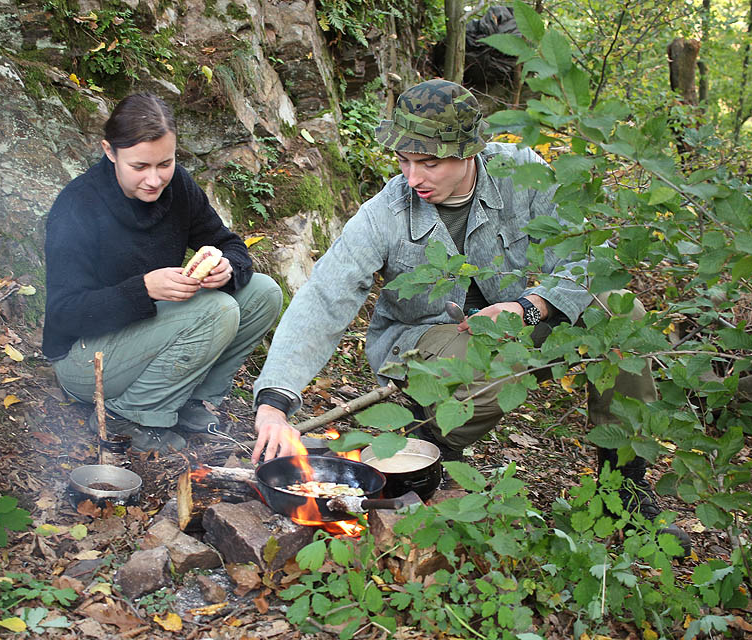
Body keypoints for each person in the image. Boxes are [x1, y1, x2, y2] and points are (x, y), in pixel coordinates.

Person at [250, 79, 690, 553]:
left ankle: (624, 489)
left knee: (621, 314)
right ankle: (429, 443)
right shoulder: (385, 213)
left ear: (469, 152)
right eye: (403, 160)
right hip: (424, 345)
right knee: (484, 358)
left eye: (429, 162)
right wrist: (274, 403)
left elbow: (591, 253)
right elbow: (323, 299)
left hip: (519, 324)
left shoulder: (520, 172)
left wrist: (531, 306)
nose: (413, 177)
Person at [43, 93, 282, 453]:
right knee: (217, 310)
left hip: (151, 330)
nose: (154, 180)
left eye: (165, 163)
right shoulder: (78, 205)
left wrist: (227, 266)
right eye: (140, 166)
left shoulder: (178, 186)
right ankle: (127, 416)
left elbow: (229, 243)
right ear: (110, 152)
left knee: (263, 292)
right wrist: (143, 289)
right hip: (85, 360)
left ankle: (190, 400)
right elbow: (65, 314)